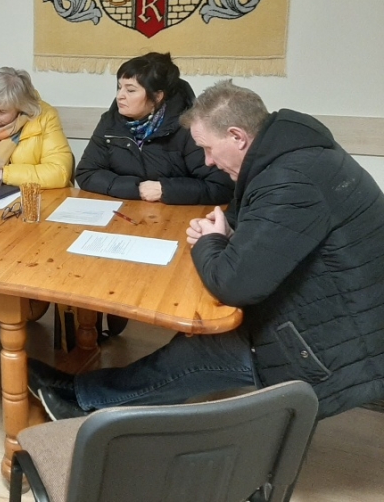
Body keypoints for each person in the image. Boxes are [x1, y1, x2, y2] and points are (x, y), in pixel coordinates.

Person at [28, 80, 384, 423]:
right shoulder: (287, 153)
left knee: (201, 350)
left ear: (237, 136)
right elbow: (259, 225)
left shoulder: (289, 180)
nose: (208, 161)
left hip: (336, 342)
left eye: (208, 148)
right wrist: (227, 231)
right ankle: (83, 393)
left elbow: (233, 285)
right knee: (193, 343)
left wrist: (210, 241)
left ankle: (86, 404)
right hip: (333, 309)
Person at [76, 52, 233, 205]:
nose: (119, 96)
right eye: (119, 87)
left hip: (177, 215)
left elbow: (220, 186)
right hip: (126, 209)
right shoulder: (110, 122)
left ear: (157, 96)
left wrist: (165, 189)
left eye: (130, 90)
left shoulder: (188, 128)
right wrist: (136, 189)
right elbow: (86, 173)